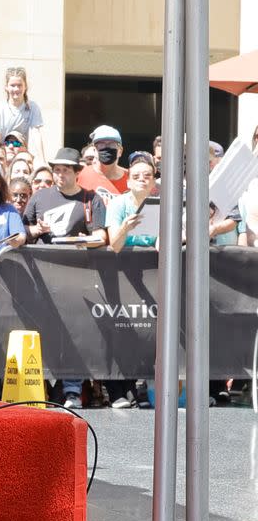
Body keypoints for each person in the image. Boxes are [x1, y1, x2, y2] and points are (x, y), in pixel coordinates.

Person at [24, 147, 107, 410]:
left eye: (65, 170)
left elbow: (101, 236)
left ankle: (72, 389)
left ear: (77, 172)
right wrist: (36, 229)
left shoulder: (91, 199)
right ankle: (42, 388)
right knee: (45, 333)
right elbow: (22, 229)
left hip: (78, 274)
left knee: (76, 332)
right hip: (43, 275)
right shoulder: (40, 197)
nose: (59, 175)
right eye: (56, 170)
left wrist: (86, 240)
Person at [104, 153, 158, 409]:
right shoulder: (117, 204)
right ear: (128, 181)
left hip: (152, 278)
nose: (141, 180)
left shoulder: (160, 204)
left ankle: (140, 389)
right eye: (135, 176)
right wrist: (125, 227)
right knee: (121, 330)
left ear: (154, 181)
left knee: (149, 333)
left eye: (146, 176)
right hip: (121, 276)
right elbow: (114, 245)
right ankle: (116, 390)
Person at [0, 66, 46, 161]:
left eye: (19, 85)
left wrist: (42, 160)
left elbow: (36, 134)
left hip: (21, 153)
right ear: (6, 87)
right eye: (12, 85)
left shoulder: (32, 107)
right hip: (4, 154)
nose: (16, 89)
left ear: (25, 86)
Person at [77, 125, 128, 204]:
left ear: (120, 151)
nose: (106, 148)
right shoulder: (80, 174)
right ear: (94, 150)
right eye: (101, 144)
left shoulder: (132, 178)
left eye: (112, 144)